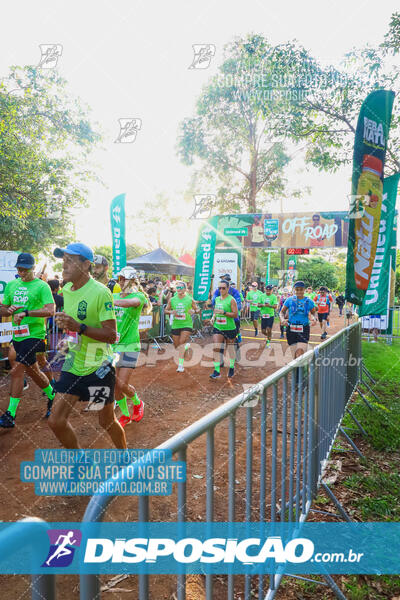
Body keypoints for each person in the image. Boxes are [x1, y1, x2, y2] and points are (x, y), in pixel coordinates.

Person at [48, 243, 126, 450]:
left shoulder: (101, 292)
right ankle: (80, 459)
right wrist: (66, 328)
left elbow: (111, 335)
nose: (64, 265)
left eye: (70, 260)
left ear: (86, 264)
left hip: (98, 367)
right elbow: (74, 326)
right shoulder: (66, 289)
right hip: (73, 364)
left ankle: (125, 456)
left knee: (106, 421)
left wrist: (78, 327)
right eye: (63, 260)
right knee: (55, 421)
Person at [0, 253, 56, 427]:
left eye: (24, 269)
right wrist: (8, 310)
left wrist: (27, 313)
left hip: (35, 334)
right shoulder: (11, 285)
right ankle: (53, 395)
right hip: (18, 334)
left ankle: (10, 414)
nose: (21, 272)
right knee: (31, 370)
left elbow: (50, 310)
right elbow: (2, 308)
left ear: (33, 268)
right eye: (18, 268)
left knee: (17, 366)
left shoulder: (42, 286)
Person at [113, 267, 148, 427]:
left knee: (121, 384)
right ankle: (125, 415)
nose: (121, 281)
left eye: (124, 279)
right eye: (119, 278)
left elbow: (129, 303)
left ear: (132, 280)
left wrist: (107, 301)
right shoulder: (113, 295)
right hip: (113, 346)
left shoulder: (139, 296)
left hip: (130, 345)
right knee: (115, 385)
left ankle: (137, 402)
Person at [165, 280, 199, 373]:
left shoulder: (189, 299)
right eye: (177, 287)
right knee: (177, 346)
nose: (178, 289)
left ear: (185, 289)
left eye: (180, 287)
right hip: (176, 324)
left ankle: (180, 365)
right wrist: (171, 312)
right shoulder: (172, 299)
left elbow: (198, 309)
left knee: (181, 342)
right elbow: (165, 310)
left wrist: (194, 311)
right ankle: (186, 347)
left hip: (187, 324)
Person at [280, 281, 317, 359]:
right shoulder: (289, 300)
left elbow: (314, 313)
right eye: (297, 289)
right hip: (291, 328)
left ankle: (299, 370)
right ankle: (297, 370)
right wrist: (282, 319)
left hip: (304, 329)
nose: (299, 291)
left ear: (304, 290)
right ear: (294, 290)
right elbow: (281, 312)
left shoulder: (309, 301)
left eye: (301, 289)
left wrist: (314, 319)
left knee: (300, 352)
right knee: (293, 351)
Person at [210, 279, 238, 379]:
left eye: (223, 288)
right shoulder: (217, 299)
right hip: (218, 327)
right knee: (216, 347)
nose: (221, 290)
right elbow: (216, 311)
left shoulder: (231, 300)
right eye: (219, 288)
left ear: (228, 289)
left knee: (230, 348)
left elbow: (235, 315)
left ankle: (231, 367)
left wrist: (224, 313)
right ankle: (217, 371)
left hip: (230, 328)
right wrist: (213, 318)